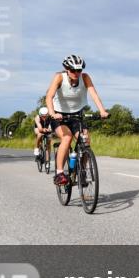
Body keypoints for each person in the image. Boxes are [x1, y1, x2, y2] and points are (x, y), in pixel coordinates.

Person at [44, 55, 109, 186]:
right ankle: (59, 173)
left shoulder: (85, 78)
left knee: (85, 140)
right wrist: (52, 113)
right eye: (73, 70)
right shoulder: (59, 77)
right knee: (67, 138)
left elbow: (94, 95)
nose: (76, 73)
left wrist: (102, 110)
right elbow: (49, 97)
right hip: (59, 116)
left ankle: (83, 171)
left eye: (79, 70)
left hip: (77, 115)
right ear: (66, 69)